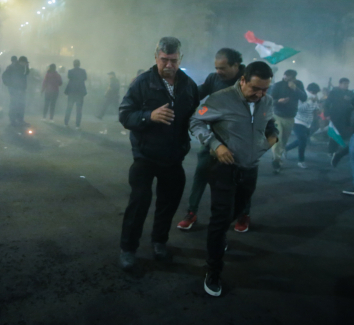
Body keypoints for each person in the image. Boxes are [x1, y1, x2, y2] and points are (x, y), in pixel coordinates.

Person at [189, 61, 278, 297]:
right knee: (219, 220)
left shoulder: (267, 101)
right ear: (242, 81)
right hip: (223, 169)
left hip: (250, 169)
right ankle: (213, 270)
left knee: (235, 212)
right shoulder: (221, 99)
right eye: (255, 89)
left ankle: (218, 241)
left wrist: (271, 140)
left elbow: (270, 125)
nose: (260, 95)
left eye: (265, 89)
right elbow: (196, 121)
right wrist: (216, 145)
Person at [118, 37, 199, 271]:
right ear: (156, 58)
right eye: (164, 60)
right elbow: (125, 115)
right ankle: (128, 249)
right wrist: (148, 116)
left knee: (168, 205)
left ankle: (159, 242)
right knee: (139, 204)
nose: (169, 65)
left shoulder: (189, 85)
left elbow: (195, 116)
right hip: (145, 156)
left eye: (173, 60)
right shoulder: (142, 83)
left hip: (174, 158)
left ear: (180, 59)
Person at [177, 48, 245, 231]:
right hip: (214, 136)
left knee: (239, 180)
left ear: (235, 65)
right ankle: (191, 212)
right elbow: (197, 93)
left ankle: (243, 213)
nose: (218, 71)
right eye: (216, 67)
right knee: (201, 172)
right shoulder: (214, 79)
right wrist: (179, 97)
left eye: (222, 68)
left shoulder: (248, 81)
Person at [269, 69, 307, 173]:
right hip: (277, 115)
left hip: (290, 117)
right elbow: (270, 100)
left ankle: (278, 158)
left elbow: (304, 97)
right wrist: (278, 101)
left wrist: (296, 89)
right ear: (284, 75)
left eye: (290, 77)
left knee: (284, 141)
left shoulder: (298, 84)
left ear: (294, 78)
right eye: (286, 76)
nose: (287, 79)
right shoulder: (278, 85)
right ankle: (276, 161)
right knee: (278, 139)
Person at [285, 82, 321, 168]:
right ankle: (301, 161)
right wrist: (309, 102)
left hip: (308, 123)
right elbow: (300, 109)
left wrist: (317, 108)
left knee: (302, 140)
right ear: (310, 91)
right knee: (303, 142)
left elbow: (315, 107)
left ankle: (285, 149)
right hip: (298, 121)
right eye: (314, 92)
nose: (315, 94)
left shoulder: (314, 97)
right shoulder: (302, 96)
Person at [324, 78, 354, 167]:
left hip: (346, 117)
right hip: (335, 115)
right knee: (334, 133)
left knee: (342, 133)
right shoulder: (334, 92)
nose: (346, 86)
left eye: (347, 84)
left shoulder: (350, 93)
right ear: (340, 84)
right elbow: (327, 103)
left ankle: (337, 150)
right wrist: (327, 114)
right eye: (345, 84)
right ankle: (331, 150)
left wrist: (349, 100)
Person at [2, 55, 30, 126]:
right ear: (21, 62)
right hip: (14, 89)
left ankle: (20, 119)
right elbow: (4, 75)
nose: (25, 64)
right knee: (14, 104)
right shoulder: (13, 67)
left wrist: (27, 66)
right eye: (25, 63)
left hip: (21, 89)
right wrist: (10, 85)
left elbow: (27, 73)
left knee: (21, 104)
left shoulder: (23, 67)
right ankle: (13, 120)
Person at [64, 59, 88, 129]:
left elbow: (69, 78)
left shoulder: (70, 71)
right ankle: (77, 125)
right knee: (79, 110)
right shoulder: (83, 71)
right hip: (80, 92)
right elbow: (85, 78)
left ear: (73, 64)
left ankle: (66, 123)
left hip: (71, 92)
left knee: (69, 108)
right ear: (79, 64)